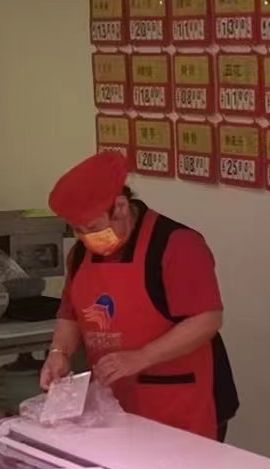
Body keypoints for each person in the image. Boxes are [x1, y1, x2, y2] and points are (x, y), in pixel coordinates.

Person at [41, 152, 238, 440]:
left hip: (180, 399)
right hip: (117, 401)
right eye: (78, 231)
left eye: (93, 228)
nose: (86, 238)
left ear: (120, 207)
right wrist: (59, 353)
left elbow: (206, 320)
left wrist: (141, 357)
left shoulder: (177, 245)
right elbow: (70, 314)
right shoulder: (81, 254)